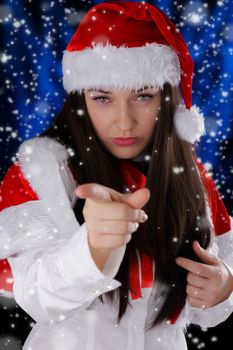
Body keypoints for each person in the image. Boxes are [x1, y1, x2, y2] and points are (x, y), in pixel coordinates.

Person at [0, 1, 232, 349]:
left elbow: (212, 294)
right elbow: (36, 297)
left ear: (166, 98)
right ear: (80, 98)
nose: (124, 122)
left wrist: (224, 287)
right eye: (102, 98)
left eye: (142, 95)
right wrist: (93, 248)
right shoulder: (40, 171)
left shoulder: (193, 178)